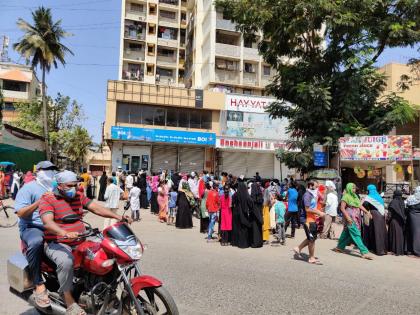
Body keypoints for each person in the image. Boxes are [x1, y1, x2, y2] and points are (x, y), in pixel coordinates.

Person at [39, 170, 132, 315]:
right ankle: (68, 299)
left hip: (80, 239)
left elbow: (96, 208)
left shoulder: (78, 195)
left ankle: (105, 291)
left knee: (107, 253)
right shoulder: (48, 199)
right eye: (70, 186)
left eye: (76, 185)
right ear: (60, 185)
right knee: (66, 262)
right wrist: (64, 233)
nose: (74, 189)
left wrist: (118, 217)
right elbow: (48, 222)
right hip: (56, 242)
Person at [14, 161, 57, 309]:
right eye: (47, 169)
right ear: (38, 171)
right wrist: (40, 201)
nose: (51, 171)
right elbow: (20, 213)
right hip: (34, 226)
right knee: (36, 242)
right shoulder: (28, 188)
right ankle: (38, 283)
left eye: (53, 169)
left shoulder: (56, 187)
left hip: (55, 226)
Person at [334, 183, 373, 260]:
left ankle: (339, 247)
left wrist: (367, 212)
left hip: (356, 218)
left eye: (355, 188)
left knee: (347, 233)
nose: (354, 190)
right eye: (353, 188)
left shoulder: (355, 196)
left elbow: (359, 205)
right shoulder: (346, 196)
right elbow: (342, 208)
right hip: (350, 218)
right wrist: (348, 217)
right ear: (349, 188)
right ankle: (364, 252)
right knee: (356, 234)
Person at [293, 180, 325, 264]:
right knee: (312, 239)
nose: (317, 188)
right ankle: (311, 257)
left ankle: (298, 248)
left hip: (312, 219)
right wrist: (319, 212)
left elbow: (314, 206)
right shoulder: (307, 195)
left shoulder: (312, 194)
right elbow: (307, 209)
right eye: (316, 187)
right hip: (308, 220)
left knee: (312, 238)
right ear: (310, 186)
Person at [362, 184, 388, 255]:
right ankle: (383, 249)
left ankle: (378, 250)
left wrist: (367, 210)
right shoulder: (379, 197)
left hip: (374, 215)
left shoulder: (369, 197)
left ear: (369, 190)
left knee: (376, 232)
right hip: (381, 215)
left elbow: (364, 205)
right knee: (381, 232)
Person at [231, 177, 252, 249]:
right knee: (243, 228)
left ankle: (235, 242)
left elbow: (232, 202)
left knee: (236, 227)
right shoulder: (246, 195)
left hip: (236, 213)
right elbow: (250, 203)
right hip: (244, 212)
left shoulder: (235, 194)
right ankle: (243, 243)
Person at [387, 190, 405, 256]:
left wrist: (387, 220)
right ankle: (400, 251)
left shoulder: (393, 202)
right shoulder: (402, 201)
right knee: (399, 236)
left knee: (394, 236)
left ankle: (394, 250)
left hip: (394, 221)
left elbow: (390, 213)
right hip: (400, 222)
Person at [406, 186, 420, 257]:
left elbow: (406, 205)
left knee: (414, 233)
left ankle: (413, 250)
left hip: (412, 217)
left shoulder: (411, 198)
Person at [250, 181, 264, 248]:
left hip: (254, 215)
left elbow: (252, 206)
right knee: (259, 229)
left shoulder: (253, 197)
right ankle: (259, 243)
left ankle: (255, 243)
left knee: (255, 230)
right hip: (259, 215)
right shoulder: (260, 196)